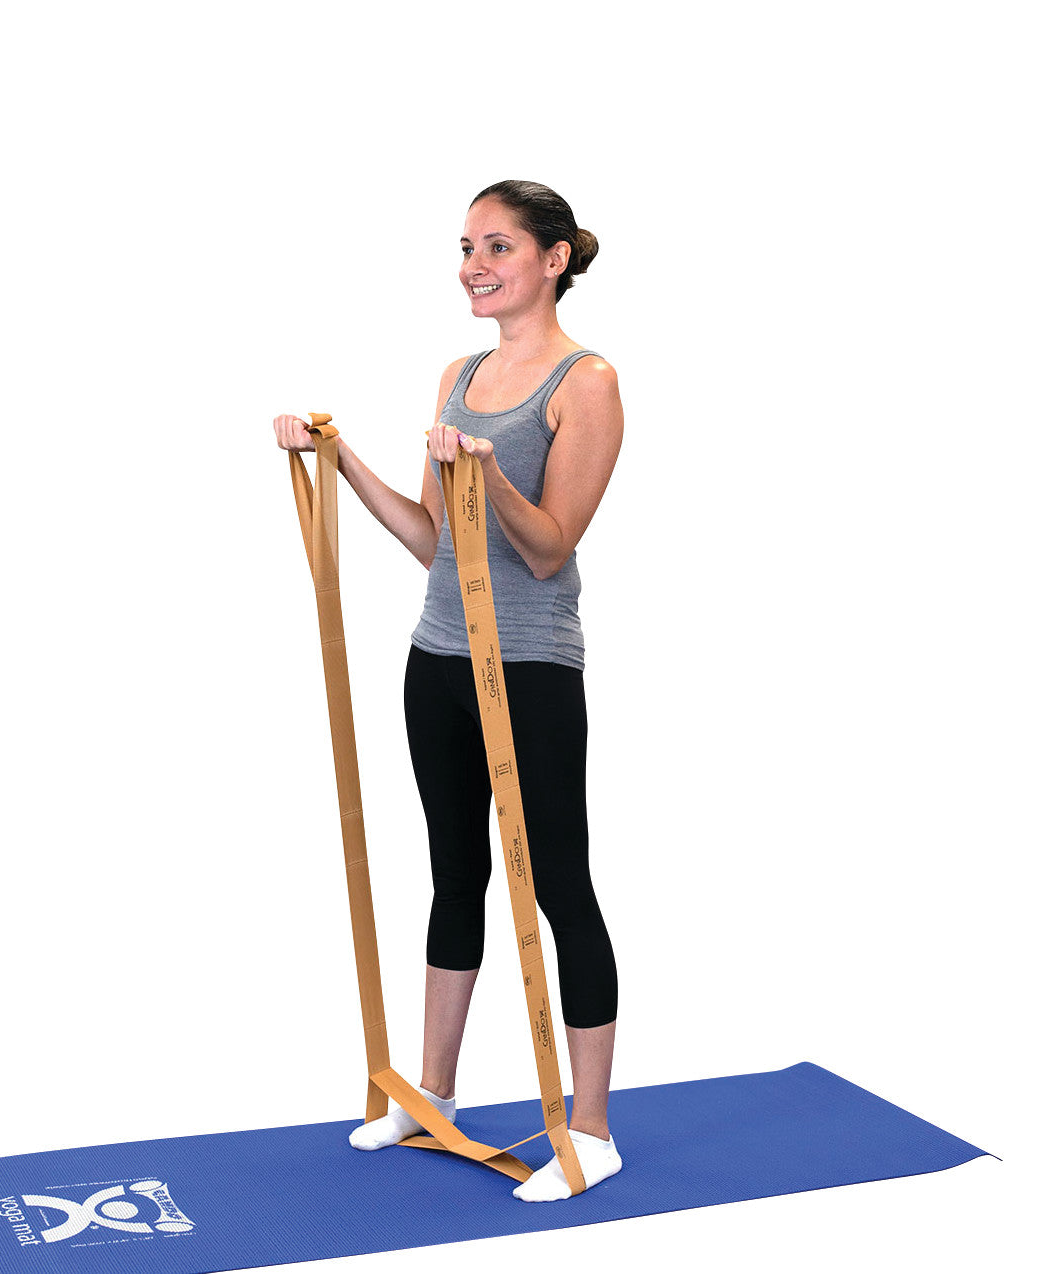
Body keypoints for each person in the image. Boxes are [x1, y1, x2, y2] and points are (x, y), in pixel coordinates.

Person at [272, 179, 624, 1201]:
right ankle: (432, 1092)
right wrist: (340, 461)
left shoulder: (585, 379)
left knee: (558, 880)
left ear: (553, 258)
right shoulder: (458, 373)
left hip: (529, 666)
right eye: (466, 246)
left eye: (497, 246)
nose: (473, 264)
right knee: (453, 871)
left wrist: (485, 472)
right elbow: (436, 539)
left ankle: (590, 1127)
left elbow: (550, 548)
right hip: (437, 658)